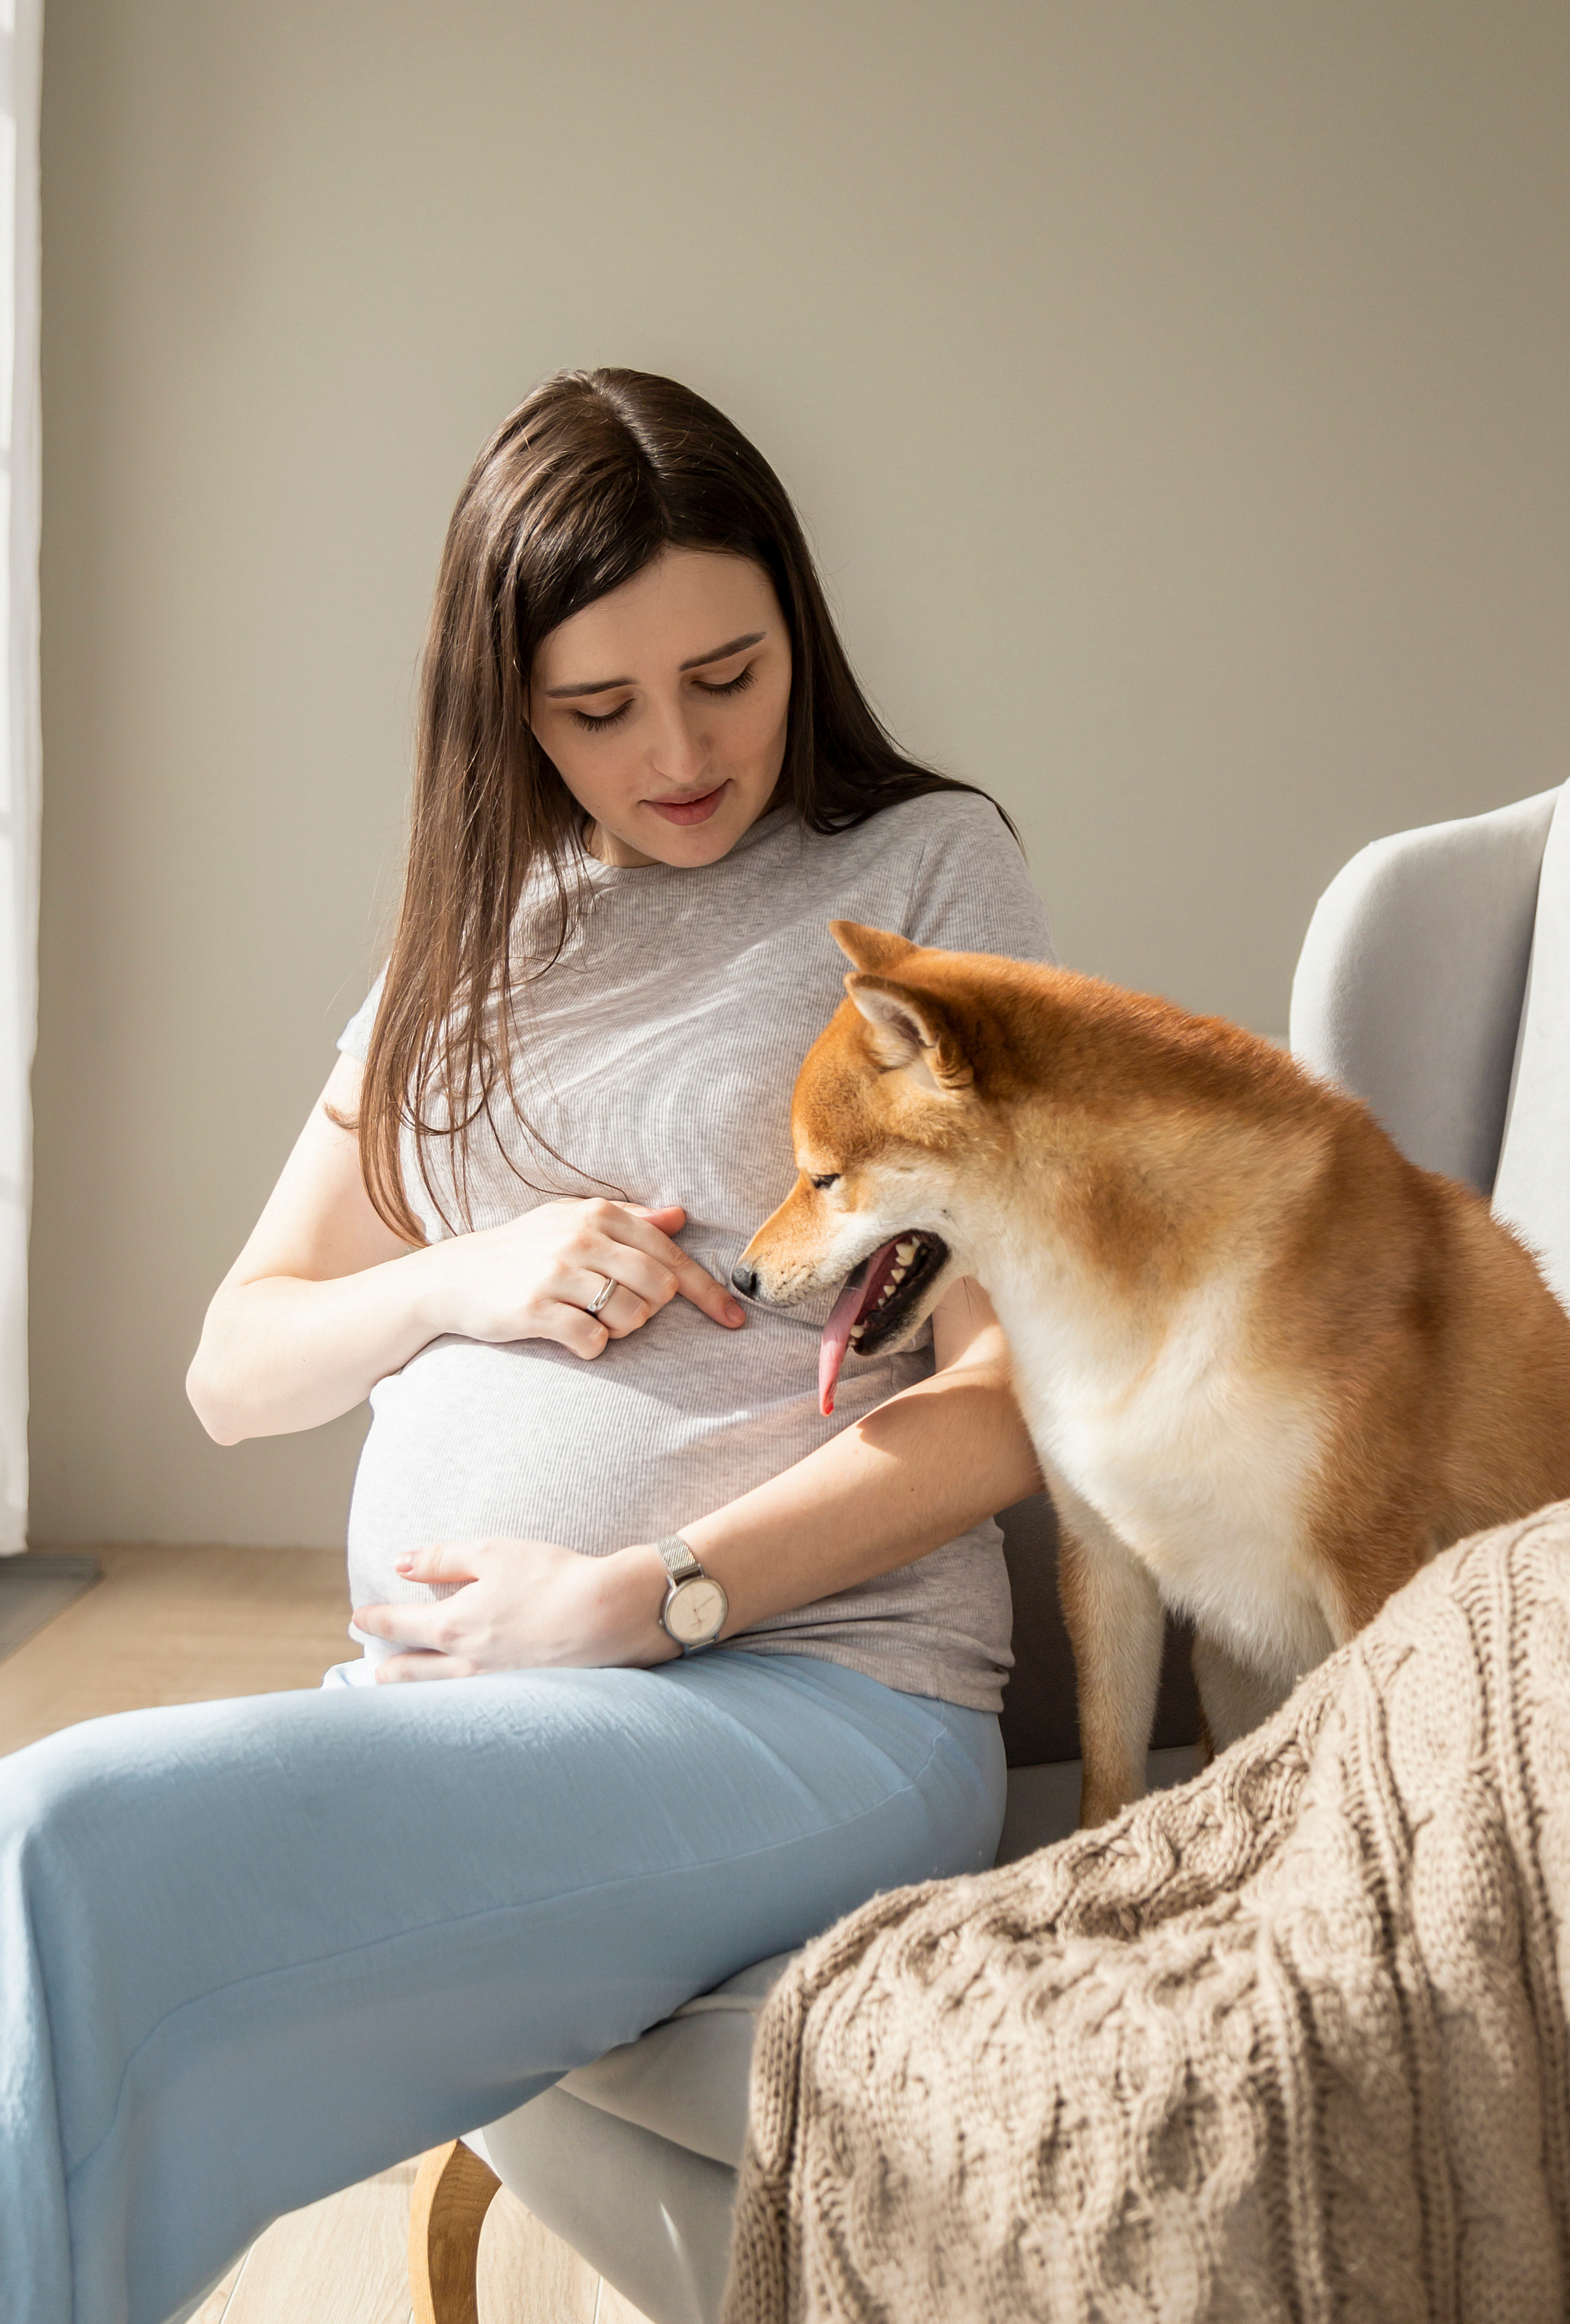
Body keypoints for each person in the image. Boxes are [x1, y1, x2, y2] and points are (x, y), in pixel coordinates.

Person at [1, 369, 1053, 2324]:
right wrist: (462, 1277)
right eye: (599, 708)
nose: (680, 750)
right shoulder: (476, 933)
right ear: (510, 706)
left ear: (795, 637)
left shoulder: (921, 874)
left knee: (57, 1828)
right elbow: (241, 1366)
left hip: (817, 1704)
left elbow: (1003, 1396)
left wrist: (648, 1597)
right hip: (473, 1706)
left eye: (729, 674)